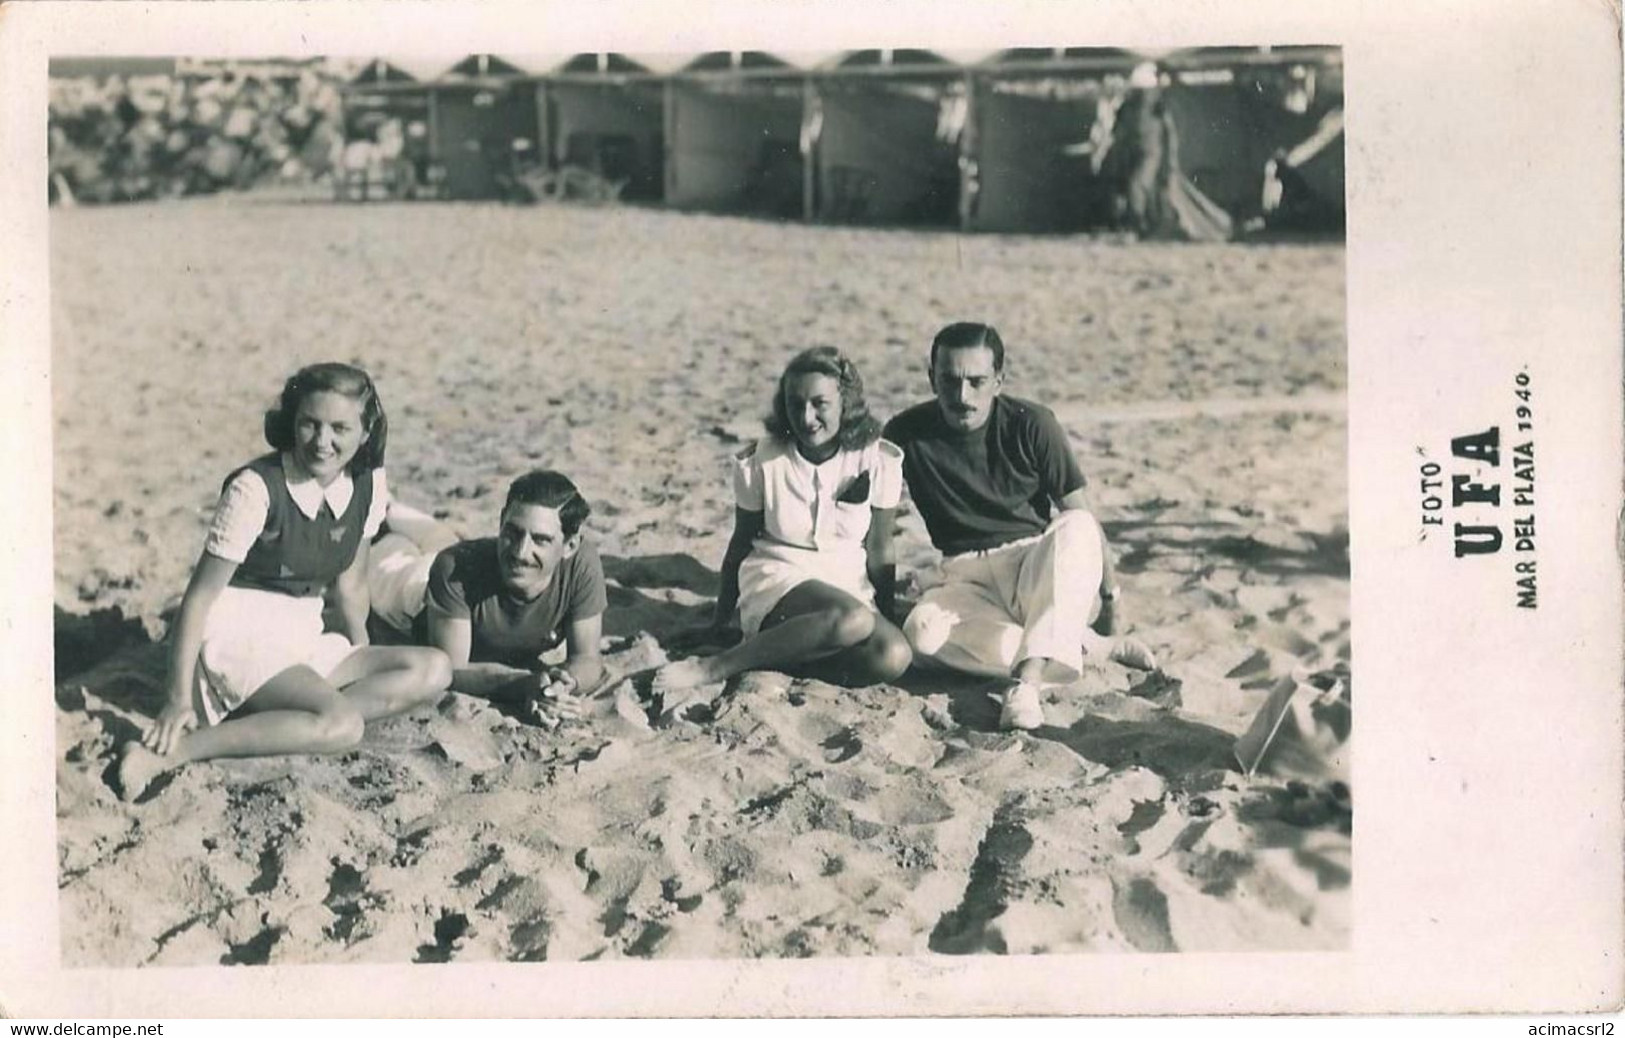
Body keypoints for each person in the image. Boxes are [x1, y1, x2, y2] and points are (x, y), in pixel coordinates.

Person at [116, 363, 452, 800]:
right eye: (309, 424)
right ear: (292, 421)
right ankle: (177, 751)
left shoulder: (369, 483)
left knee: (432, 668)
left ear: (366, 431)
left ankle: (289, 726)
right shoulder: (256, 488)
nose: (322, 442)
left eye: (340, 428)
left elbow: (351, 586)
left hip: (303, 632)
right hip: (237, 634)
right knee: (344, 724)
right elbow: (198, 600)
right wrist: (177, 698)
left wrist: (360, 648)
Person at [882, 322, 1155, 731]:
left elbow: (1083, 517)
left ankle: (1026, 685)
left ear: (999, 380)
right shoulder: (906, 433)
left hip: (1034, 566)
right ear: (931, 378)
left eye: (976, 382)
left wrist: (1111, 600)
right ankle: (1083, 645)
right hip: (963, 577)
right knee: (920, 636)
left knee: (1077, 525)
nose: (962, 396)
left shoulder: (1033, 423)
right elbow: (871, 515)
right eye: (949, 381)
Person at [654, 347, 913, 696]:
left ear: (845, 404)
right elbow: (742, 542)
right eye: (795, 404)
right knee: (853, 619)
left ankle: (779, 655)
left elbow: (881, 549)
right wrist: (720, 620)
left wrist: (887, 615)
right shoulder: (763, 459)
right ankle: (716, 666)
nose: (806, 418)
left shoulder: (878, 459)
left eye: (820, 403)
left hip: (848, 583)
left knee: (893, 655)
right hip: (780, 575)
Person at [367, 470, 607, 726]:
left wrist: (564, 683)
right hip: (412, 589)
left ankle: (390, 505)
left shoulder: (581, 565)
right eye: (512, 533)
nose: (521, 552)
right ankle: (378, 507)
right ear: (501, 521)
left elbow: (588, 660)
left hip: (459, 565)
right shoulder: (452, 567)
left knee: (438, 539)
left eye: (540, 540)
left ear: (569, 546)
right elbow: (453, 671)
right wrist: (524, 684)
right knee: (389, 545)